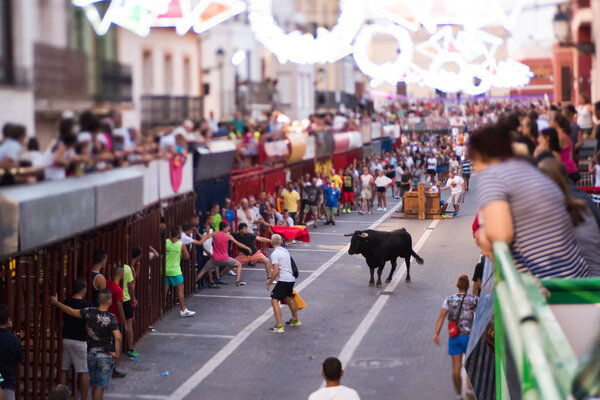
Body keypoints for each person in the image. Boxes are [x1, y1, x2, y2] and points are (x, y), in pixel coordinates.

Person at [469, 123, 589, 278]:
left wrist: (484, 235)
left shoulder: (492, 175)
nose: (476, 167)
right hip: (575, 275)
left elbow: (501, 235)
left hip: (545, 280)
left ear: (480, 155)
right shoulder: (527, 168)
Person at [50, 290, 121, 400]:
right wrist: (117, 353)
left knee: (93, 384)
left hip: (91, 354)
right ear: (109, 301)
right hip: (105, 355)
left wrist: (56, 303)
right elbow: (118, 337)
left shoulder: (89, 312)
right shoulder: (111, 317)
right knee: (99, 387)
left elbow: (70, 311)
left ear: (98, 300)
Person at [433, 275, 477, 400]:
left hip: (455, 337)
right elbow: (480, 316)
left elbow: (441, 317)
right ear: (468, 286)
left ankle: (458, 395)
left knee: (456, 368)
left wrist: (436, 333)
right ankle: (469, 389)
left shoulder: (449, 299)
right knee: (470, 366)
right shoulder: (474, 299)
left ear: (457, 285)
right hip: (469, 338)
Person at [60, 279, 90, 400]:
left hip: (66, 339)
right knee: (83, 371)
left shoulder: (65, 302)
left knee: (63, 369)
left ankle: (61, 397)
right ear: (83, 290)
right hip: (80, 340)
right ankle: (83, 397)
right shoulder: (86, 305)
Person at [195, 222, 251, 286]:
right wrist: (247, 248)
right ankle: (237, 281)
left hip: (214, 259)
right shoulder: (228, 236)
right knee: (239, 264)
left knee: (203, 271)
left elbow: (203, 238)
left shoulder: (214, 234)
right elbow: (238, 244)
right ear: (224, 228)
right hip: (225, 258)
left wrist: (197, 232)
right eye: (227, 227)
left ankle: (193, 284)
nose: (229, 228)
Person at [266, 234, 300, 333]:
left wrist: (269, 282)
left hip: (284, 279)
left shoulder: (274, 254)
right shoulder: (285, 251)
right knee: (288, 298)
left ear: (271, 242)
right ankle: (295, 319)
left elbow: (275, 271)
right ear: (280, 241)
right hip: (291, 278)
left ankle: (279, 325)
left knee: (274, 300)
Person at [165, 227, 196, 317]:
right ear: (178, 234)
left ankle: (161, 308)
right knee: (180, 289)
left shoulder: (166, 242)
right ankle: (183, 309)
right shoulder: (180, 244)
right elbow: (187, 256)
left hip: (166, 269)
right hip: (175, 270)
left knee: (165, 290)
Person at [0, 304, 24, 400]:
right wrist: (17, 340)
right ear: (8, 319)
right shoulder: (13, 340)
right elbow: (19, 358)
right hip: (7, 383)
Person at [123, 247, 142, 359]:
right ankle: (130, 349)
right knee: (129, 325)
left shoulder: (119, 267)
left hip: (118, 299)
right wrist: (133, 298)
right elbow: (131, 285)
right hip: (126, 299)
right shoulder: (128, 268)